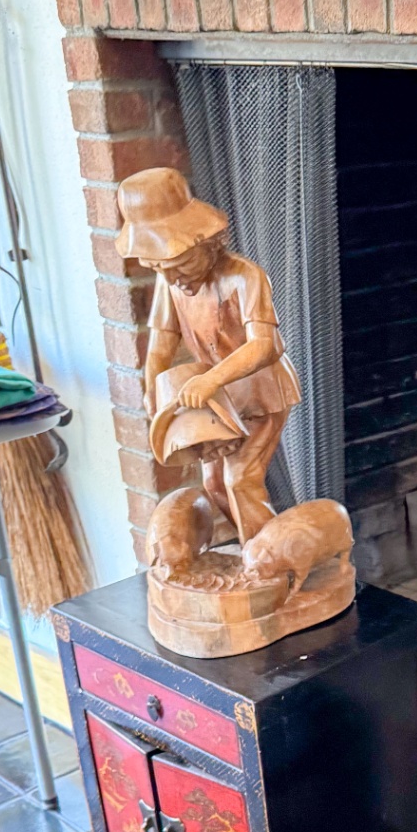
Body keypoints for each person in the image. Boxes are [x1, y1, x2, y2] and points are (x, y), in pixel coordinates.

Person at [123, 168, 301, 548]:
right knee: (215, 482)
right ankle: (254, 548)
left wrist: (211, 379)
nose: (174, 278)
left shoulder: (245, 277)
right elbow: (160, 345)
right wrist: (153, 391)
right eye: (159, 268)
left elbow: (265, 346)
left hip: (261, 391)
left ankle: (271, 562)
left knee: (241, 479)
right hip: (219, 398)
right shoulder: (170, 285)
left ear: (204, 241)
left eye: (181, 264)